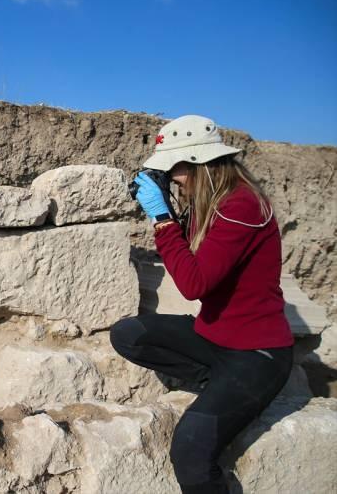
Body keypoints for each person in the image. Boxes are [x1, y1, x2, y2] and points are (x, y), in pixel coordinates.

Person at [110, 115, 293, 493]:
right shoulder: (208, 204)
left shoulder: (242, 206)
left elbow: (194, 284)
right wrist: (172, 214)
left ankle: (227, 390)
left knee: (190, 455)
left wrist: (162, 219)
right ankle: (216, 386)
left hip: (256, 355)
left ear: (200, 163)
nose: (173, 178)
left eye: (174, 170)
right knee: (128, 334)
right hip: (215, 338)